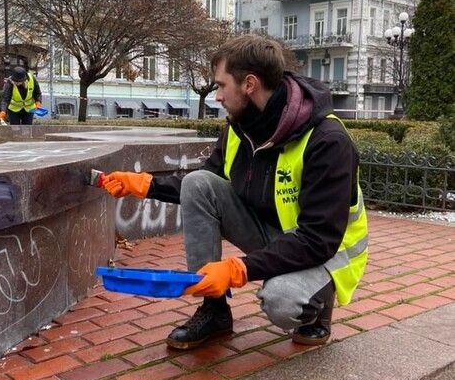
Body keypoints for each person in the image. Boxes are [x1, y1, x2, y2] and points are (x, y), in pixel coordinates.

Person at [101, 34, 368, 350]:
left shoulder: (327, 141)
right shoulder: (240, 129)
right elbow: (204, 183)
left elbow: (318, 238)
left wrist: (238, 268)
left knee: (282, 301)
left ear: (249, 84)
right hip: (275, 235)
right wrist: (146, 185)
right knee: (198, 184)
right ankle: (214, 311)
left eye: (220, 86)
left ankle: (318, 306)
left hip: (324, 252)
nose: (217, 97)